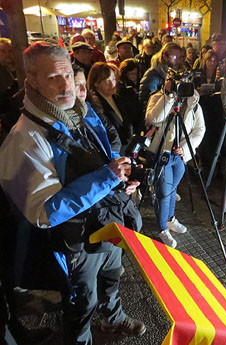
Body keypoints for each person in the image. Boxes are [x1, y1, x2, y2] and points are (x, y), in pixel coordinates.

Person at [0, 42, 145, 345]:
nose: (65, 84)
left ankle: (113, 319)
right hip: (77, 241)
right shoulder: (24, 138)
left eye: (67, 74)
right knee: (81, 305)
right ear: (32, 81)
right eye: (53, 77)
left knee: (112, 278)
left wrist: (120, 181)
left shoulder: (78, 112)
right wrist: (106, 178)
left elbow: (97, 160)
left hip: (106, 222)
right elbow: (43, 212)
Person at [144, 78, 205, 248]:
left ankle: (170, 219)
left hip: (179, 155)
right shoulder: (158, 97)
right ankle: (162, 229)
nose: (182, 85)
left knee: (172, 189)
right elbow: (153, 119)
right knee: (164, 191)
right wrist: (169, 96)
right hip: (159, 153)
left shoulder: (194, 102)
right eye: (178, 81)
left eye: (185, 81)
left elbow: (200, 129)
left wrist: (184, 148)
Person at [88, 62, 133, 153]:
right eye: (106, 81)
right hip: (114, 150)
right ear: (96, 83)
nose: (112, 83)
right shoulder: (95, 104)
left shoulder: (117, 98)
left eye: (113, 79)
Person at [139, 42, 183, 109]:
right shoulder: (153, 75)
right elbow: (147, 100)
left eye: (179, 57)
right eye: (174, 57)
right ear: (165, 56)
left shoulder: (175, 73)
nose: (177, 61)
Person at [118, 58, 144, 135]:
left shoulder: (141, 83)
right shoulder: (123, 88)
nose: (134, 76)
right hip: (131, 119)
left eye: (135, 73)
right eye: (131, 73)